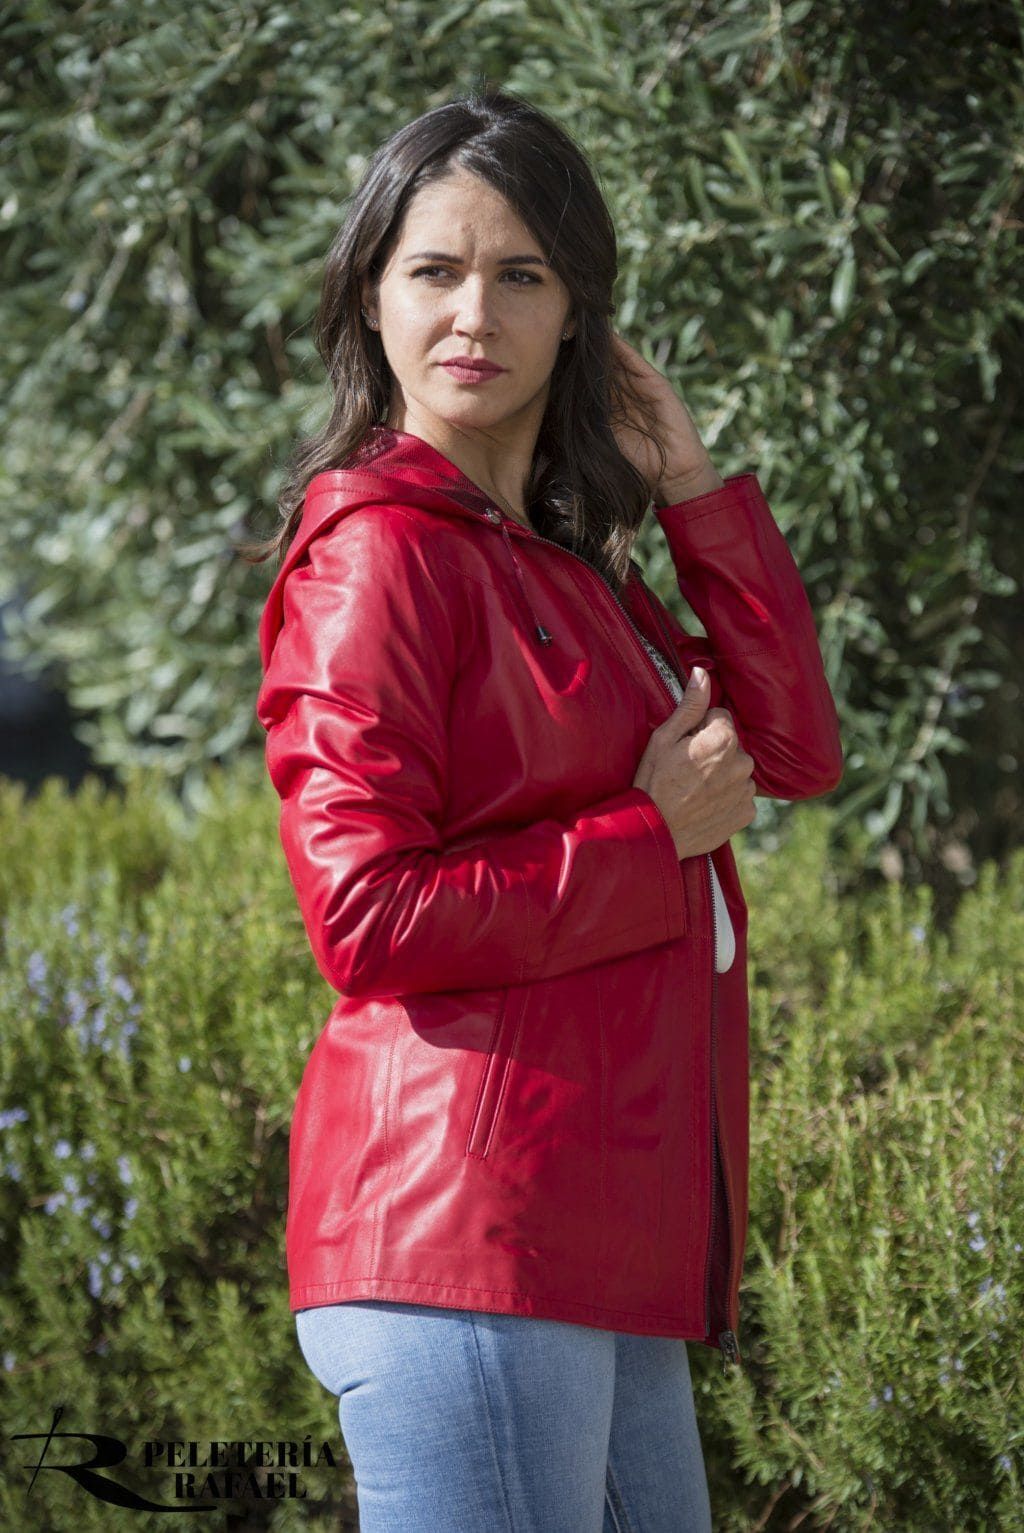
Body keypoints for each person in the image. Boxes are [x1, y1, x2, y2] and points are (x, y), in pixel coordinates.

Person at [249, 85, 843, 1533]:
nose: (475, 314)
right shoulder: (378, 557)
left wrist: (694, 487)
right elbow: (365, 916)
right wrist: (650, 838)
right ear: (371, 296)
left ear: (580, 309)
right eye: (434, 271)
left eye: (522, 273)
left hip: (589, 1246)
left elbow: (792, 751)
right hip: (465, 1237)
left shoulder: (565, 561)